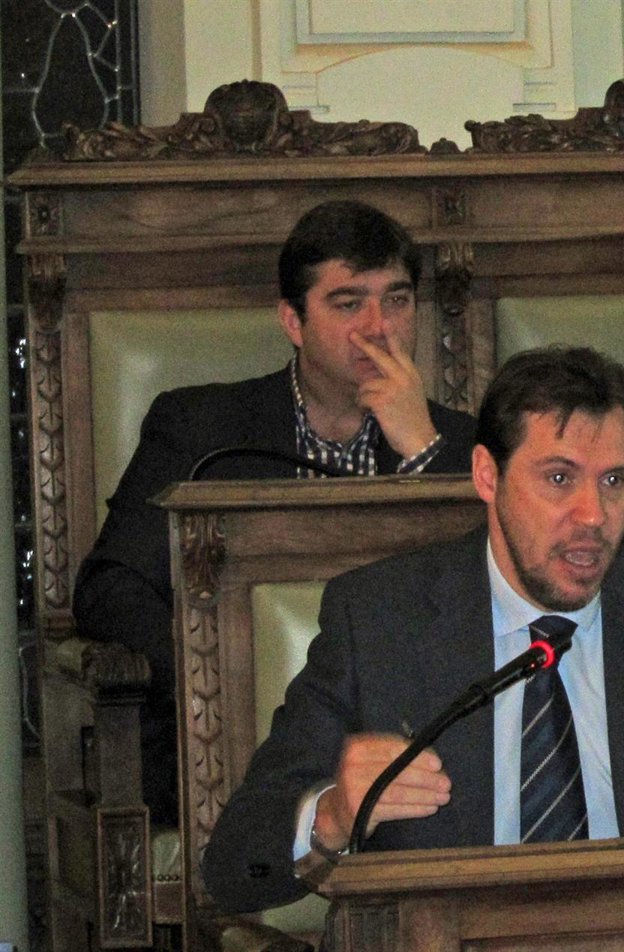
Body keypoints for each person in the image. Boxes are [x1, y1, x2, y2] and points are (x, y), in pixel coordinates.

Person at [201, 345, 624, 913]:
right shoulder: (379, 622)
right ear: (486, 475)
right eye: (559, 478)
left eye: (613, 481)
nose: (593, 515)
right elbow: (233, 869)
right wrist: (332, 816)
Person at [73, 200, 477, 823]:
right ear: (293, 320)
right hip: (236, 742)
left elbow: (486, 598)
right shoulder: (200, 428)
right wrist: (221, 668)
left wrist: (422, 449)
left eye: (397, 300)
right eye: (348, 304)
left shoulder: (463, 444)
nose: (379, 328)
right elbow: (110, 589)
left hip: (412, 744)